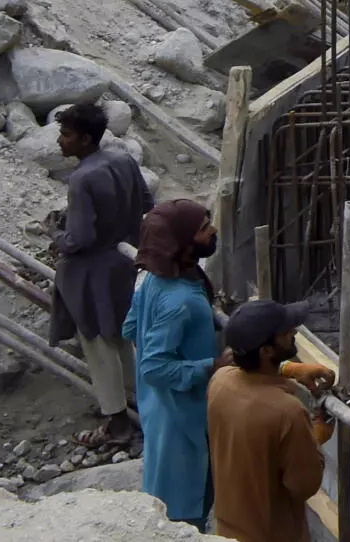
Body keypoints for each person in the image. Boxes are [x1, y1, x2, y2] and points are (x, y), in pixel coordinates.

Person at [49, 101, 151, 449]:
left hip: (91, 273)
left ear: (85, 139)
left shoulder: (81, 178)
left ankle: (118, 424)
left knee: (98, 345)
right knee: (123, 338)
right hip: (122, 263)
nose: (60, 142)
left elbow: (81, 239)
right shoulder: (123, 160)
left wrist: (56, 235)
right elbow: (147, 203)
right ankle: (143, 405)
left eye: (66, 135)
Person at [124, 200, 221, 525]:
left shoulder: (153, 281)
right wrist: (210, 366)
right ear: (180, 241)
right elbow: (153, 366)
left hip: (160, 408)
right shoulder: (179, 301)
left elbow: (130, 327)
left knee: (166, 492)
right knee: (186, 504)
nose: (213, 232)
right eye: (203, 229)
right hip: (185, 416)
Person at [208, 300, 333, 542]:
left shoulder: (220, 382)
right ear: (266, 351)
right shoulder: (287, 412)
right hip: (272, 534)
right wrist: (315, 439)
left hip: (229, 529)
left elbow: (238, 369)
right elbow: (303, 486)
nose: (294, 332)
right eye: (285, 333)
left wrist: (288, 369)